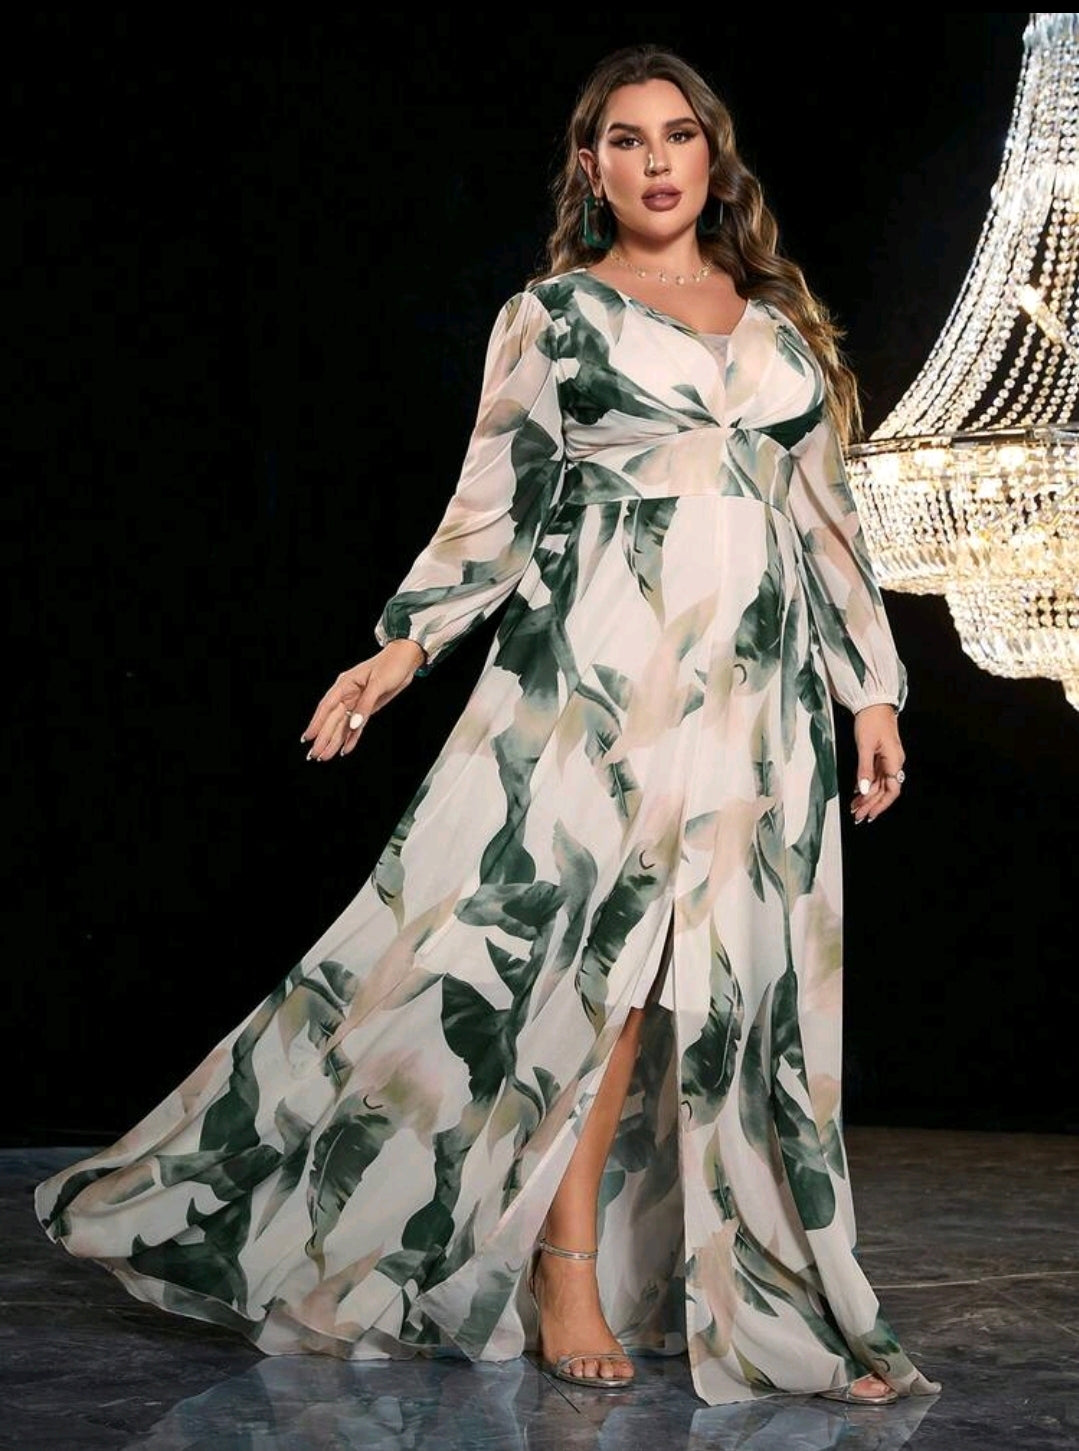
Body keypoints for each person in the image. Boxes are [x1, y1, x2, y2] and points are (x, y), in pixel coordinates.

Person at [35, 43, 942, 1409]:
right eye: (625, 138)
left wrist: (869, 691)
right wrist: (400, 651)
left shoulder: (779, 322)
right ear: (591, 166)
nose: (655, 160)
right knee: (594, 973)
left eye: (678, 135)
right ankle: (561, 1267)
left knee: (730, 996)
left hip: (758, 706)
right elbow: (492, 509)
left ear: (714, 158)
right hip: (599, 688)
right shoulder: (554, 318)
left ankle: (765, 1292)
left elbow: (826, 523)